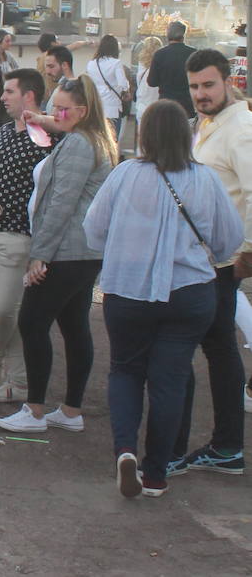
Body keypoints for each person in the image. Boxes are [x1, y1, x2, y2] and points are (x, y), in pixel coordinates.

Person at [84, 100, 242, 498]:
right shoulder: (205, 180)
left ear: (145, 135)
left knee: (125, 371)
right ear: (186, 136)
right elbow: (229, 241)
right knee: (170, 380)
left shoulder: (124, 175)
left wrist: (126, 245)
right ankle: (157, 472)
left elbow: (93, 229)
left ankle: (125, 451)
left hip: (128, 291)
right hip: (189, 295)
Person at [0, 75, 115, 433]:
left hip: (66, 251)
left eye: (63, 109)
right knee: (75, 327)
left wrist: (39, 255)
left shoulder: (78, 143)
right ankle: (70, 410)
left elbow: (61, 203)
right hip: (82, 252)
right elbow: (59, 125)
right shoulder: (92, 137)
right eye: (54, 107)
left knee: (32, 322)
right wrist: (43, 118)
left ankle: (34, 410)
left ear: (82, 111)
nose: (56, 114)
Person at [171, 48, 252, 477]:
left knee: (208, 350)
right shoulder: (208, 124)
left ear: (227, 81)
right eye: (195, 87)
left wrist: (249, 253)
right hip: (202, 259)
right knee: (217, 349)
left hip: (221, 261)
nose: (201, 94)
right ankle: (226, 448)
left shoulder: (240, 128)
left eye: (208, 85)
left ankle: (223, 447)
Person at [0, 68, 52, 406]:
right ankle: (15, 382)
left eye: (9, 91)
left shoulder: (46, 138)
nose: (2, 97)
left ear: (29, 96)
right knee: (8, 310)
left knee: (2, 309)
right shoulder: (5, 131)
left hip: (20, 237)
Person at [145, 20, 196, 117]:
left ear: (167, 35)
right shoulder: (193, 53)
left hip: (165, 105)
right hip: (186, 104)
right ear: (183, 36)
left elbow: (152, 82)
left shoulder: (159, 54)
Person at [86, 34, 129, 140]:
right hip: (112, 108)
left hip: (96, 108)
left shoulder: (91, 64)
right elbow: (123, 85)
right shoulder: (116, 63)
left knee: (98, 140)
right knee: (112, 140)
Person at [132, 35, 163, 130]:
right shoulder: (162, 64)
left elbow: (138, 82)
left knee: (142, 139)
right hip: (157, 106)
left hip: (142, 105)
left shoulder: (142, 63)